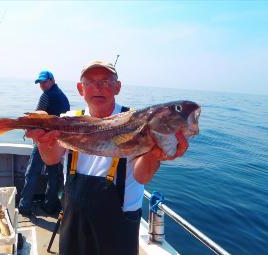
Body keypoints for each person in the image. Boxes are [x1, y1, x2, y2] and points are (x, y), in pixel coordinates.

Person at [25, 61, 188, 255]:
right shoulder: (70, 119)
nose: (98, 88)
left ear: (117, 87)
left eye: (106, 81)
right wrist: (43, 141)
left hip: (119, 221)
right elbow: (51, 159)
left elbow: (142, 176)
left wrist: (154, 155)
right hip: (73, 216)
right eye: (90, 82)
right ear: (80, 88)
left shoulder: (136, 121)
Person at [18, 70, 70, 216]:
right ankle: (50, 205)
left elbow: (35, 119)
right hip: (59, 142)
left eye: (44, 81)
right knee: (54, 175)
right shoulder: (64, 97)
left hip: (44, 140)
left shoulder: (46, 96)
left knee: (32, 173)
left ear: (52, 80)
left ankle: (24, 206)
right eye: (39, 83)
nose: (41, 85)